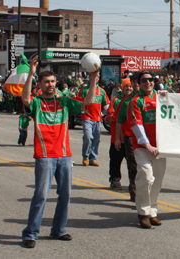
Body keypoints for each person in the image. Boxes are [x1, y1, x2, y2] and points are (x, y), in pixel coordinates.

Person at [21, 56, 98, 248]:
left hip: (64, 156)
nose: (50, 84)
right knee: (40, 196)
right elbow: (24, 98)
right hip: (45, 156)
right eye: (46, 81)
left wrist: (93, 79)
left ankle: (58, 229)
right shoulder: (37, 102)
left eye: (53, 81)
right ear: (40, 84)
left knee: (65, 195)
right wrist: (30, 74)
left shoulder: (64, 101)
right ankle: (30, 233)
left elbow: (87, 102)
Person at [128, 70, 167, 228]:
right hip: (143, 147)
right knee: (146, 177)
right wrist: (148, 145)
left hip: (161, 147)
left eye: (151, 79)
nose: (148, 82)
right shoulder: (136, 101)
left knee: (157, 180)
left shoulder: (162, 97)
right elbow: (137, 126)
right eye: (144, 80)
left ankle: (152, 211)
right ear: (139, 83)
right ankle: (143, 212)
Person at [114, 73, 140, 201]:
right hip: (129, 137)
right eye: (132, 83)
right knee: (133, 165)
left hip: (145, 137)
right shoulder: (125, 101)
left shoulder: (147, 97)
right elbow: (119, 120)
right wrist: (117, 139)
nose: (134, 85)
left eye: (136, 82)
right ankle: (134, 192)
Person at [77, 74, 109, 166]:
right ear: (89, 79)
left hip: (98, 119)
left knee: (96, 139)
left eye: (97, 78)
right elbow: (79, 102)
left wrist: (105, 113)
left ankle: (93, 158)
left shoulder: (101, 91)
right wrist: (82, 111)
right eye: (92, 78)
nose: (95, 79)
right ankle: (85, 157)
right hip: (87, 118)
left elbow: (106, 104)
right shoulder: (84, 90)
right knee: (88, 136)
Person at [107, 78, 132, 190]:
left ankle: (133, 183)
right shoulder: (116, 100)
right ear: (122, 87)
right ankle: (115, 180)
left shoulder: (135, 100)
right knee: (115, 161)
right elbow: (111, 115)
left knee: (132, 163)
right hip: (117, 138)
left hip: (131, 138)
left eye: (130, 86)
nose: (129, 88)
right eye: (126, 86)